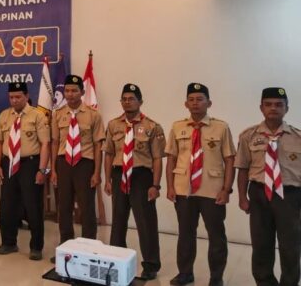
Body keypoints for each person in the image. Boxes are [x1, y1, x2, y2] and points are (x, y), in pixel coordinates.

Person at [166, 83, 235, 286]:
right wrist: (170, 186)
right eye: (191, 100)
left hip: (212, 190)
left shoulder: (221, 127)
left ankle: (216, 277)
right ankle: (185, 273)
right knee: (185, 234)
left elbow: (229, 160)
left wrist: (226, 189)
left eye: (200, 99)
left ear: (209, 103)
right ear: (186, 104)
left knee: (216, 235)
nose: (195, 103)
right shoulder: (177, 127)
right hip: (183, 189)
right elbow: (171, 158)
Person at [235, 87, 301, 286]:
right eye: (268, 104)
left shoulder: (298, 137)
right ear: (261, 108)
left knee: (290, 246)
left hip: (290, 196)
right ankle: (265, 282)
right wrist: (242, 197)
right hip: (259, 194)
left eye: (279, 104)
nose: (273, 108)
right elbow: (243, 169)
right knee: (261, 245)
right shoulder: (248, 136)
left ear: (287, 108)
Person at [103, 84, 165, 280]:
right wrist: (107, 180)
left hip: (141, 177)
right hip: (118, 174)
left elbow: (157, 158)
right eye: (124, 99)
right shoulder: (113, 125)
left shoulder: (152, 126)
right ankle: (117, 259)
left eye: (131, 99)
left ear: (140, 102)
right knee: (118, 220)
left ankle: (151, 265)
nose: (127, 102)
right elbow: (109, 153)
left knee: (145, 222)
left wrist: (155, 185)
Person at [0, 82, 50, 260]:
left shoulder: (37, 116)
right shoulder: (4, 115)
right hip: (8, 163)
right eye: (11, 97)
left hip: (30, 164)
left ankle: (36, 247)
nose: (14, 100)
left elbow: (45, 144)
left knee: (33, 207)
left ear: (26, 96)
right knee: (7, 205)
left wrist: (43, 170)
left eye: (18, 97)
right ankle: (8, 242)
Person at [50, 75, 104, 249]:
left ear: (82, 92)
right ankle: (66, 245)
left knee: (86, 207)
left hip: (85, 163)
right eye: (67, 90)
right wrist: (53, 169)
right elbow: (55, 142)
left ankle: (88, 247)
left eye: (74, 90)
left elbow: (98, 145)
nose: (70, 94)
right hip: (63, 163)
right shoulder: (58, 114)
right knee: (64, 206)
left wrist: (96, 172)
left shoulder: (93, 115)